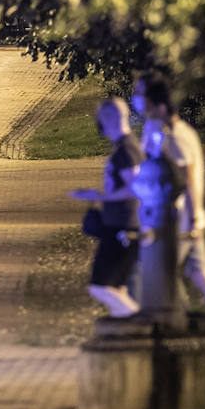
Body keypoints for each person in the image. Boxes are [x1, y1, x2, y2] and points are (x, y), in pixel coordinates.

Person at [131, 72, 205, 342]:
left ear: (159, 104)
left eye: (143, 96)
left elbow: (187, 181)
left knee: (160, 274)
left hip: (177, 223)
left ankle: (184, 328)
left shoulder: (177, 136)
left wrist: (193, 221)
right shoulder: (159, 131)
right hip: (179, 221)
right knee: (199, 275)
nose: (139, 101)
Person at [68, 98, 143, 317]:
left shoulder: (126, 150)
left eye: (100, 120)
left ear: (110, 119)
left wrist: (102, 196)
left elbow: (136, 188)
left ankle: (141, 323)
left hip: (123, 225)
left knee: (100, 286)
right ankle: (126, 332)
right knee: (116, 288)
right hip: (118, 224)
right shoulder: (123, 147)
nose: (99, 126)